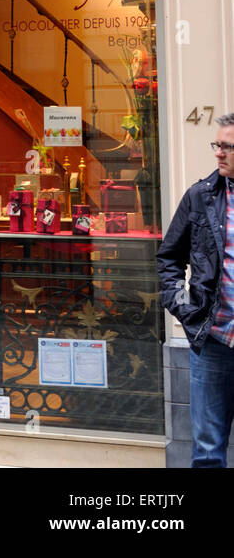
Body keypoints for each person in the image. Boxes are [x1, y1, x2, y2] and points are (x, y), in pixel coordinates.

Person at [158, 113, 234, 467]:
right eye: (217, 145)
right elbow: (169, 258)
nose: (218, 153)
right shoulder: (199, 197)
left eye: (227, 146)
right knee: (207, 451)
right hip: (214, 340)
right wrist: (185, 308)